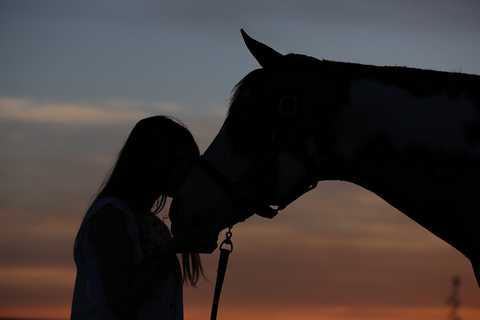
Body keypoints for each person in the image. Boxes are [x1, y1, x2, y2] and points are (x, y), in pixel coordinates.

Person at [71, 115, 207, 320]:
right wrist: (173, 247)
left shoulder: (155, 227)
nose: (190, 173)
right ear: (158, 161)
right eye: (185, 163)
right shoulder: (110, 217)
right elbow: (121, 300)